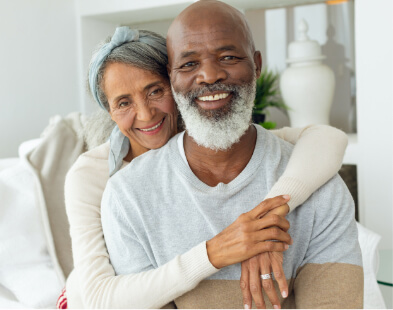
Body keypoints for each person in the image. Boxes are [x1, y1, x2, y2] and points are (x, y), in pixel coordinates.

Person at [63, 26, 349, 310]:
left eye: (155, 91)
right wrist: (216, 251)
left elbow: (327, 138)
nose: (145, 113)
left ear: (176, 85)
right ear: (109, 111)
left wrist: (267, 216)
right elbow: (98, 298)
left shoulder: (208, 141)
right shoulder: (91, 175)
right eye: (123, 102)